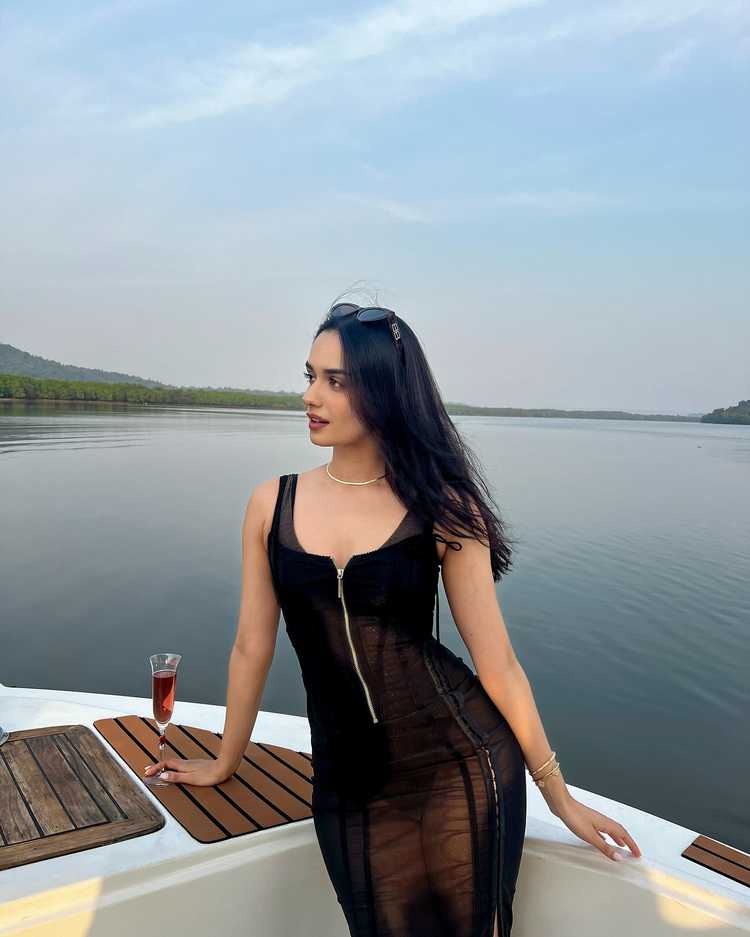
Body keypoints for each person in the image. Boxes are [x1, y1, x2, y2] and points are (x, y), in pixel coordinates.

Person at [145, 295, 642, 936]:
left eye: (336, 382)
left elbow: (498, 665)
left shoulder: (443, 508)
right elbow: (251, 647)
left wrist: (559, 796)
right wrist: (225, 760)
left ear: (384, 393)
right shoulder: (272, 503)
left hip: (459, 762)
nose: (310, 396)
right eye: (310, 376)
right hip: (348, 778)